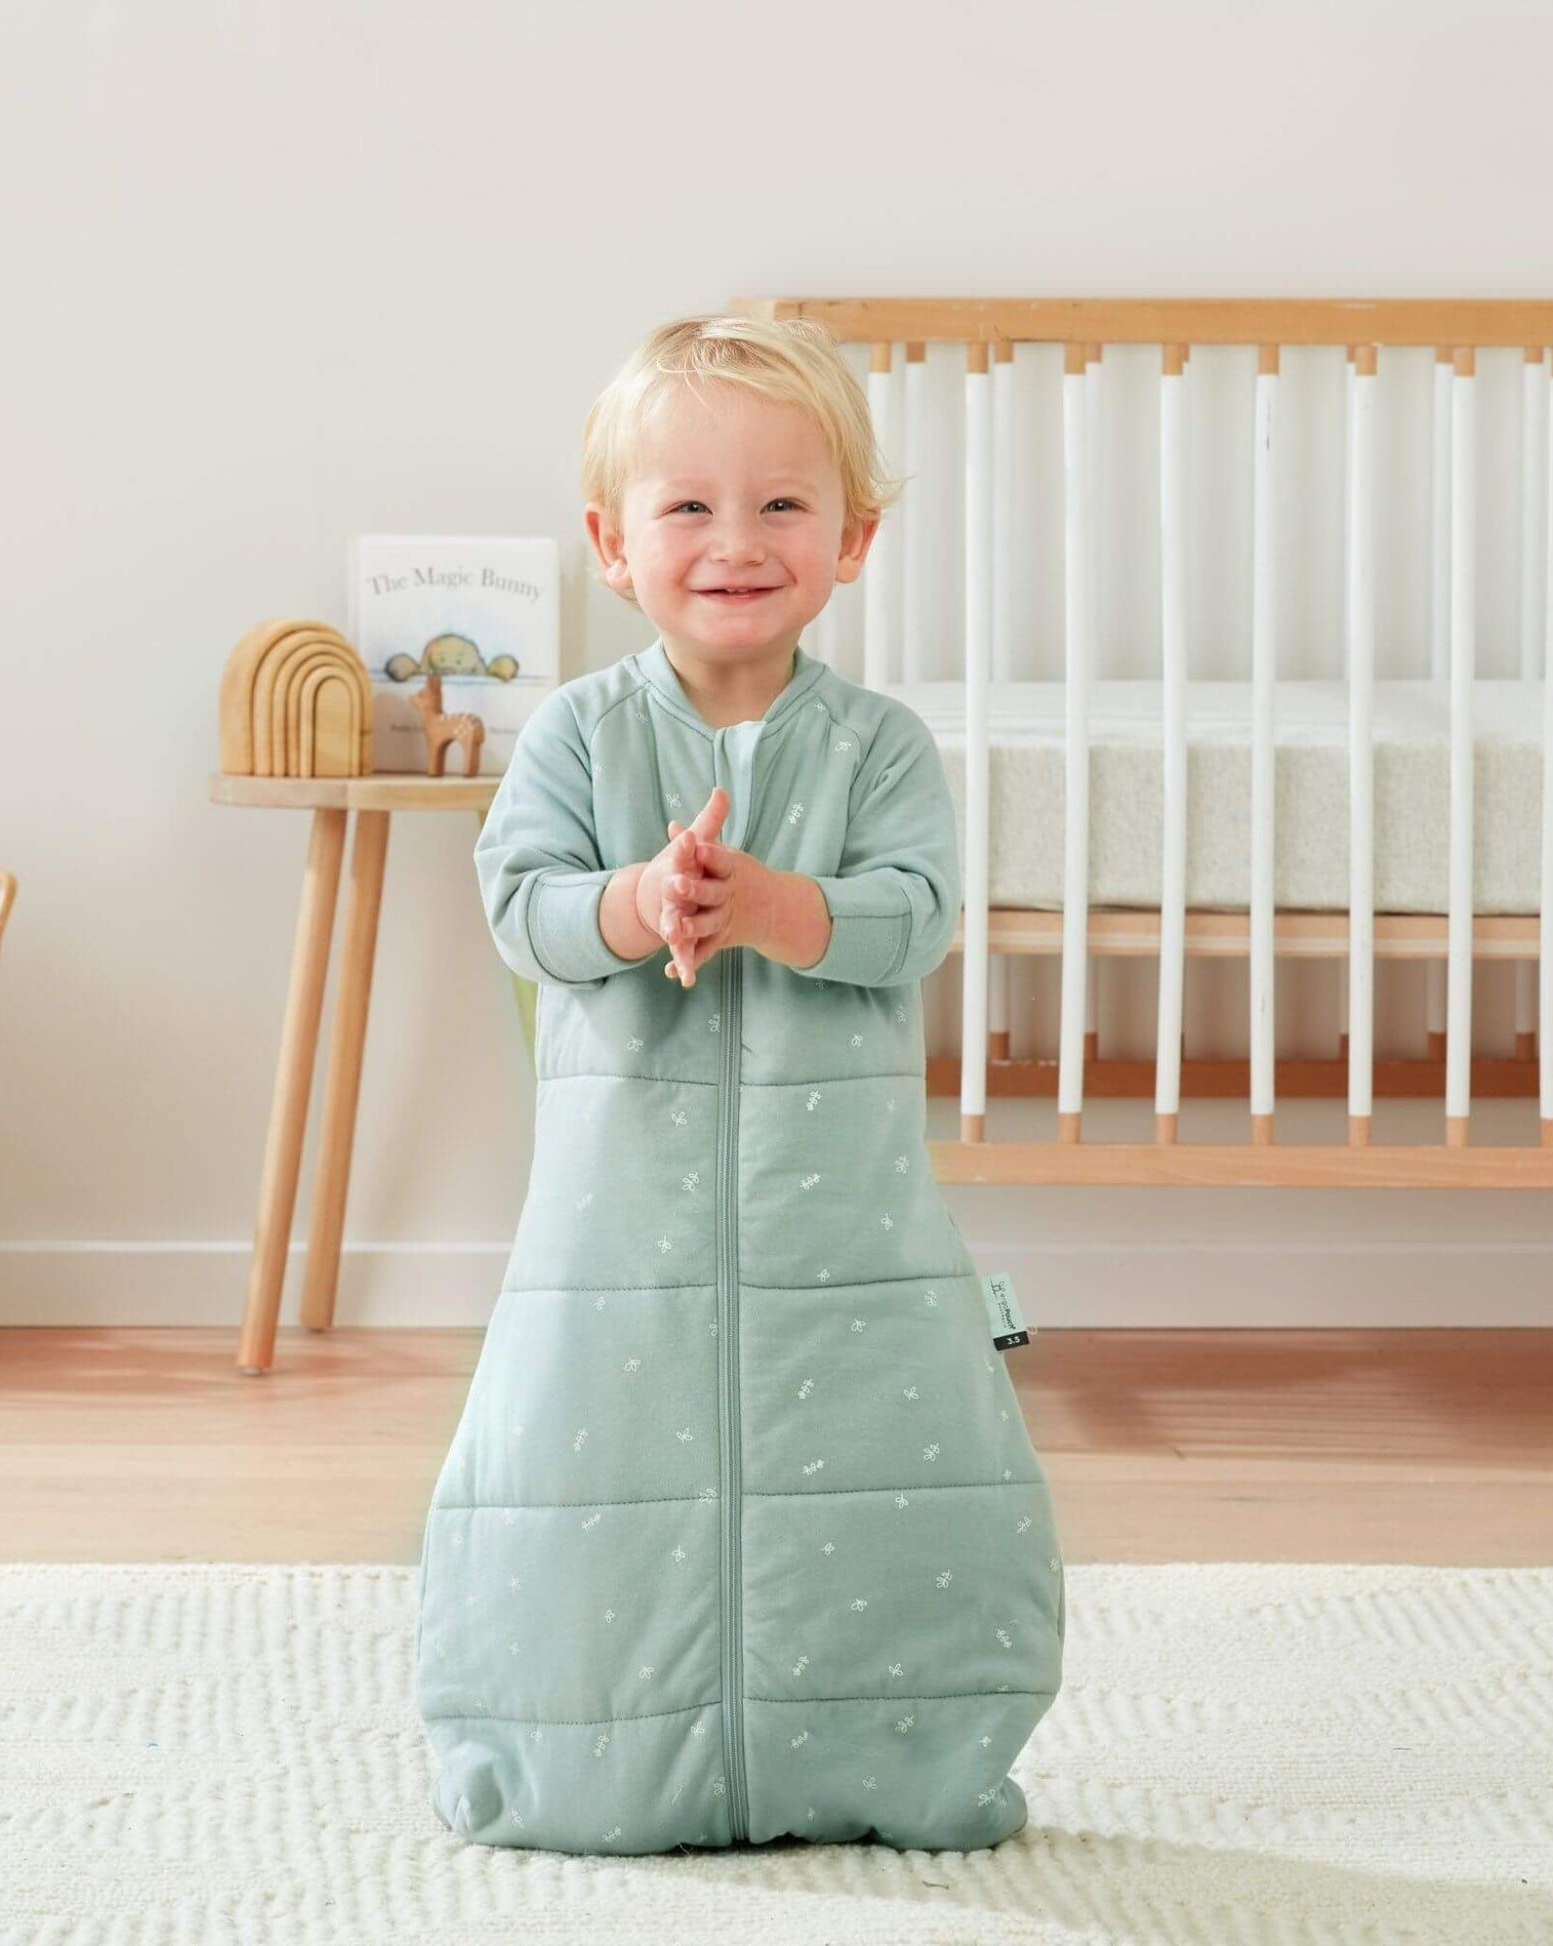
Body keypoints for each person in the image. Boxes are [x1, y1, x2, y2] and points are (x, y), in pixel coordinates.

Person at [414, 314, 1065, 1856]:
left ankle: (894, 1748)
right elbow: (521, 906)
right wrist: (639, 903)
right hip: (613, 1235)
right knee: (578, 1479)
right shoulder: (574, 733)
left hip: (837, 1224)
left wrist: (779, 907)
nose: (735, 540)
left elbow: (918, 910)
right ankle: (574, 1753)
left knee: (895, 1474)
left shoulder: (878, 746)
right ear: (612, 542)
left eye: (782, 504)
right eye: (687, 506)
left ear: (851, 537)